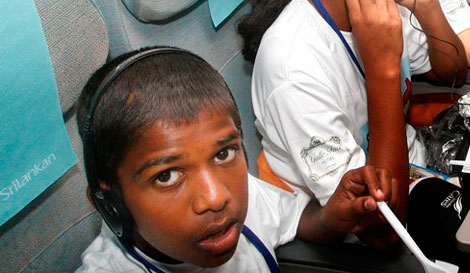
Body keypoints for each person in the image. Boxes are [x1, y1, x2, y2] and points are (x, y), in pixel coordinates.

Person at [239, 0, 467, 249]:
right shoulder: (293, 67)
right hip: (370, 228)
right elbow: (383, 233)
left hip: (416, 167)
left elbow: (453, 74)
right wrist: (382, 68)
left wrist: (427, 6)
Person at [75, 47, 396, 272]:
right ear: (111, 205)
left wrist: (333, 218)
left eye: (224, 153)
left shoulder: (244, 196)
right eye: (167, 176)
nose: (215, 197)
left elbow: (294, 221)